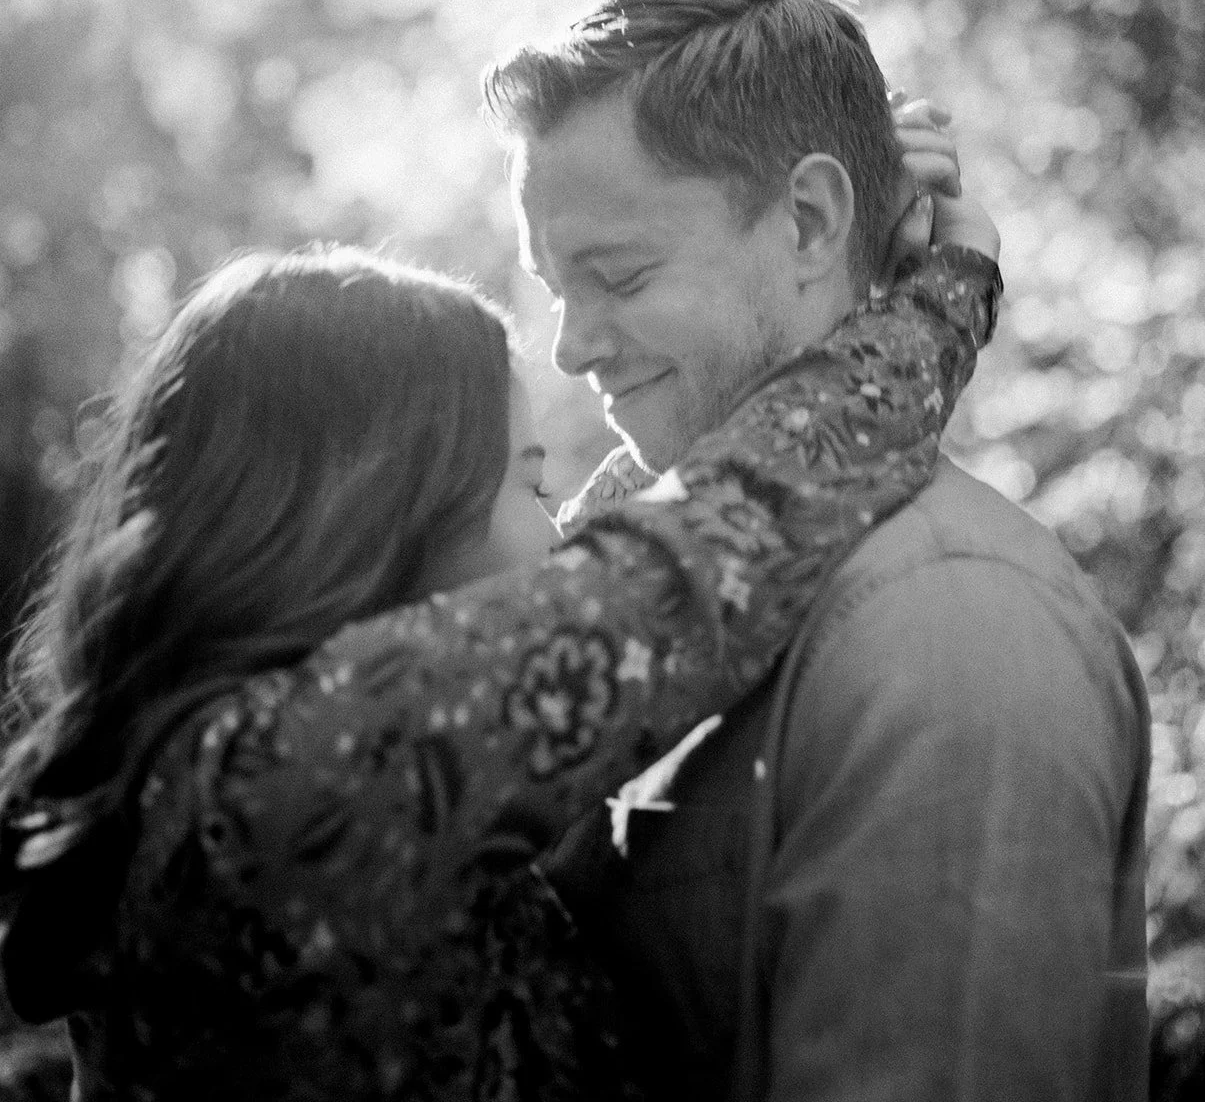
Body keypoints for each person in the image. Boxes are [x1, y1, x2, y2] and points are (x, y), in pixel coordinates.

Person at [0, 225, 999, 1101]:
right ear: (383, 513)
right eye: (528, 483)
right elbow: (696, 563)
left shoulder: (208, 758)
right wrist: (949, 283)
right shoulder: (321, 766)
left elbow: (588, 592)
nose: (552, 531)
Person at [482, 0, 1151, 1102]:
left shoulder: (947, 632)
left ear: (806, 218)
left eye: (619, 274)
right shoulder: (641, 562)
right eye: (556, 289)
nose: (571, 345)